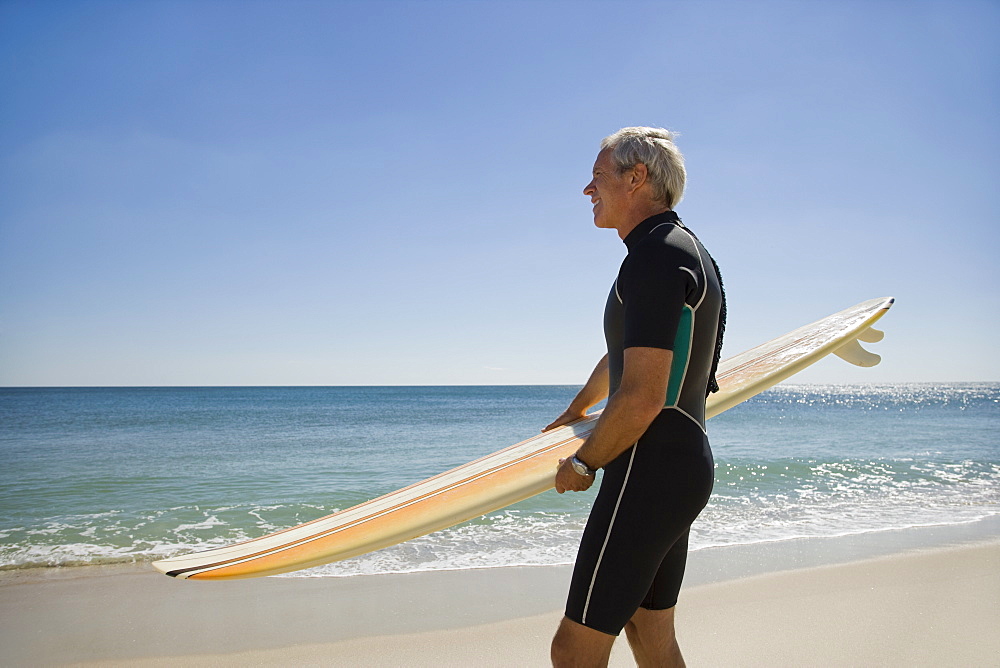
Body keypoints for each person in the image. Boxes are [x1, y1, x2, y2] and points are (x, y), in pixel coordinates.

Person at [545, 127, 725, 668]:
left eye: (597, 177)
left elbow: (644, 394)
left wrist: (583, 462)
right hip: (678, 467)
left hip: (648, 469)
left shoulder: (653, 257)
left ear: (636, 177)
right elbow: (632, 354)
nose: (587, 190)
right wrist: (577, 411)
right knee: (649, 634)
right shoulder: (682, 250)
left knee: (574, 650)